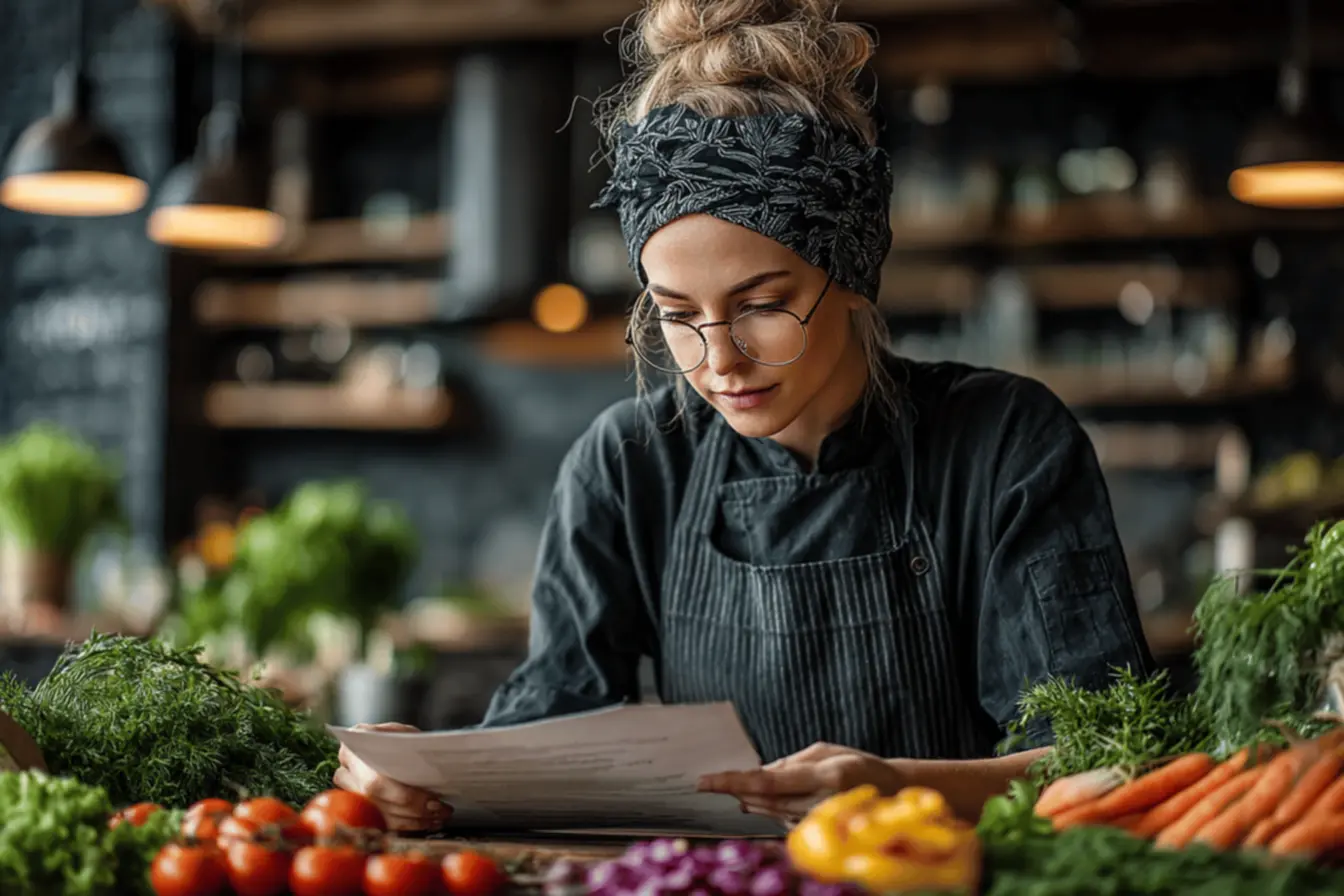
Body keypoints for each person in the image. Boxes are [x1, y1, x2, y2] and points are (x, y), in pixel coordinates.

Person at [334, 0, 1154, 830]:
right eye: (678, 315)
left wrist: (904, 788)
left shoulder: (1007, 444)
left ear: (852, 268)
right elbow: (551, 728)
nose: (719, 359)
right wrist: (426, 774)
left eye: (762, 305)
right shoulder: (628, 465)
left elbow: (1107, 762)